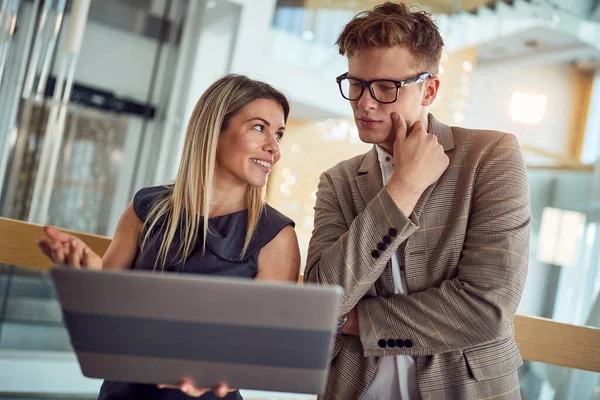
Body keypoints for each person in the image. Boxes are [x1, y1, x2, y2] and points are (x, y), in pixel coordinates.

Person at [304, 2, 531, 399]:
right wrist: (402, 188)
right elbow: (322, 300)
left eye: (386, 87)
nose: (364, 102)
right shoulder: (338, 181)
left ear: (430, 88)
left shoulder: (491, 156)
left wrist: (358, 321)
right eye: (355, 83)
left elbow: (486, 310)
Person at [38, 74, 301, 399]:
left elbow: (261, 354)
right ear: (214, 130)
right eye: (260, 128)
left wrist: (222, 372)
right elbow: (104, 327)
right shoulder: (145, 207)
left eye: (279, 134)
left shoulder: (276, 236)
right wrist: (88, 275)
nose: (274, 147)